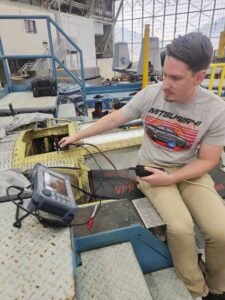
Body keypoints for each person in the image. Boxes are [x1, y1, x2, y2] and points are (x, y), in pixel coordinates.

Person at [59, 32, 225, 300]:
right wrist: (78, 136)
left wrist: (173, 178)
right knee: (180, 228)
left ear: (199, 77)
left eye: (175, 78)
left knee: (220, 231)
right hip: (152, 168)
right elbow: (115, 119)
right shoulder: (151, 94)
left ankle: (219, 287)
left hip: (189, 171)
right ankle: (200, 290)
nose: (165, 84)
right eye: (165, 75)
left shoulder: (215, 109)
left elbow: (208, 160)